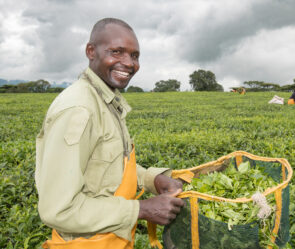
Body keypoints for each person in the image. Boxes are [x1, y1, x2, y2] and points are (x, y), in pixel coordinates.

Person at [35, 18, 184, 249]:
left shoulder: (105, 101)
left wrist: (152, 179)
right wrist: (142, 209)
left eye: (135, 56)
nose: (129, 63)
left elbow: (109, 166)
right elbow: (58, 209)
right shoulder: (79, 110)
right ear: (91, 51)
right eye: (116, 52)